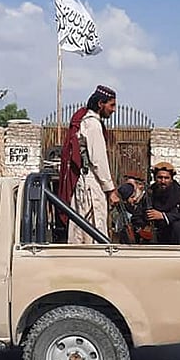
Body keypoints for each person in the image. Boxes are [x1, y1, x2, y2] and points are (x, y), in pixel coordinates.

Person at [58, 85, 120, 243]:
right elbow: (98, 160)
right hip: (90, 183)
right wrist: (110, 190)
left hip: (85, 182)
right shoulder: (92, 125)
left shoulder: (87, 121)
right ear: (101, 104)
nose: (113, 110)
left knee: (81, 227)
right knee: (93, 227)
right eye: (111, 105)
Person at [141, 162, 180, 245]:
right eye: (160, 178)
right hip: (154, 236)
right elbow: (138, 215)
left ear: (171, 179)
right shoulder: (149, 193)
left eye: (166, 178)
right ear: (155, 178)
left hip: (176, 237)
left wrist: (163, 216)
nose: (163, 181)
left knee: (178, 226)